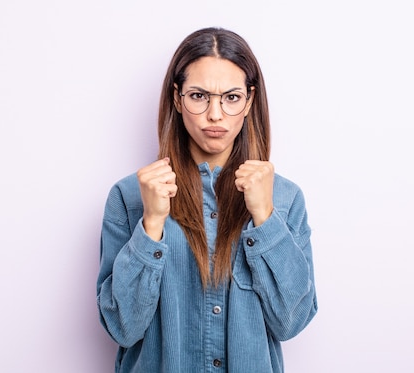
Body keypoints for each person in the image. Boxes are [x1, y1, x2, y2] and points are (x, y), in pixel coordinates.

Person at [97, 27, 317, 372]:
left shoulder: (285, 199)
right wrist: (152, 224)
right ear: (176, 98)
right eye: (199, 96)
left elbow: (292, 322)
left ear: (249, 102)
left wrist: (264, 216)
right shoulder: (129, 197)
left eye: (231, 97)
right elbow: (122, 328)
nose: (215, 115)